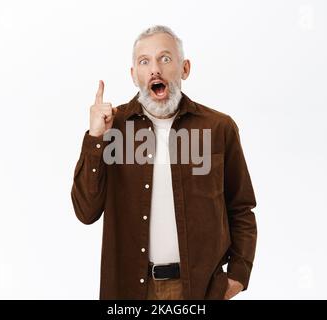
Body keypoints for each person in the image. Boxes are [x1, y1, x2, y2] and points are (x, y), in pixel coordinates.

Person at [71, 25, 257, 300]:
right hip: (131, 290)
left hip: (199, 290)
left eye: (165, 58)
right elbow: (86, 211)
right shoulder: (114, 128)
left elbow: (241, 208)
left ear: (185, 68)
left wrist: (237, 277)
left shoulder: (219, 128)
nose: (154, 69)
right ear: (134, 75)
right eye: (144, 62)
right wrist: (96, 137)